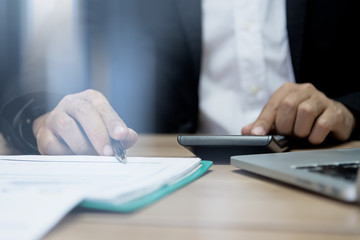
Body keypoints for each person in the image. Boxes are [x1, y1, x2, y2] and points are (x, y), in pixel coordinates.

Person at [1, 0, 359, 155]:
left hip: (316, 162)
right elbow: (31, 80)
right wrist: (42, 119)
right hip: (174, 178)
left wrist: (346, 111)